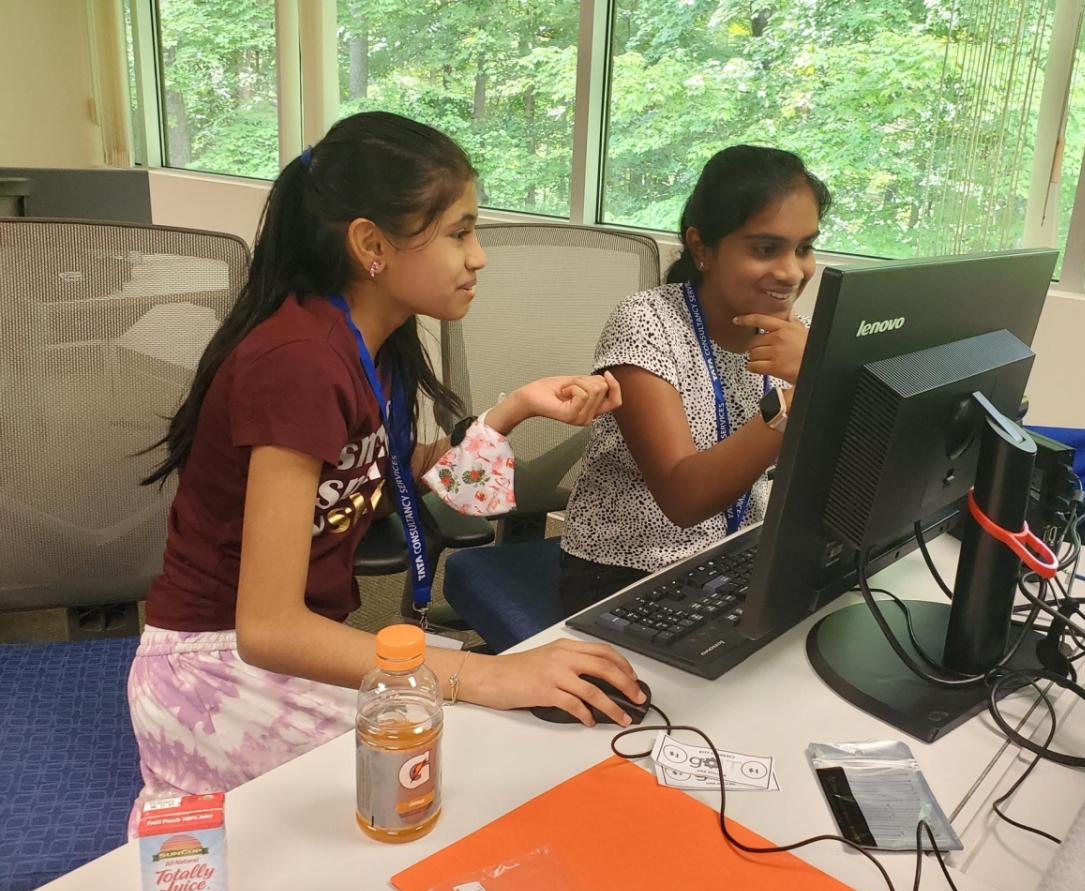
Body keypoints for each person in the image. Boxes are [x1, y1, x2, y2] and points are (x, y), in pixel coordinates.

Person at [128, 112, 644, 824]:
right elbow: (268, 629)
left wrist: (514, 410)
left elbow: (396, 486)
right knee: (483, 772)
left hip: (305, 644)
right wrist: (485, 674)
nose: (479, 256)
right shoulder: (299, 363)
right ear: (372, 244)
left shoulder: (377, 342)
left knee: (514, 741)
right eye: (460, 232)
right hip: (215, 667)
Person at [560, 145, 831, 612]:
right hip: (633, 571)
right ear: (703, 248)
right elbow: (683, 499)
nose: (792, 271)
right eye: (766, 248)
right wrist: (801, 395)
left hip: (745, 558)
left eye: (804, 248)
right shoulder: (647, 324)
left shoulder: (798, 338)